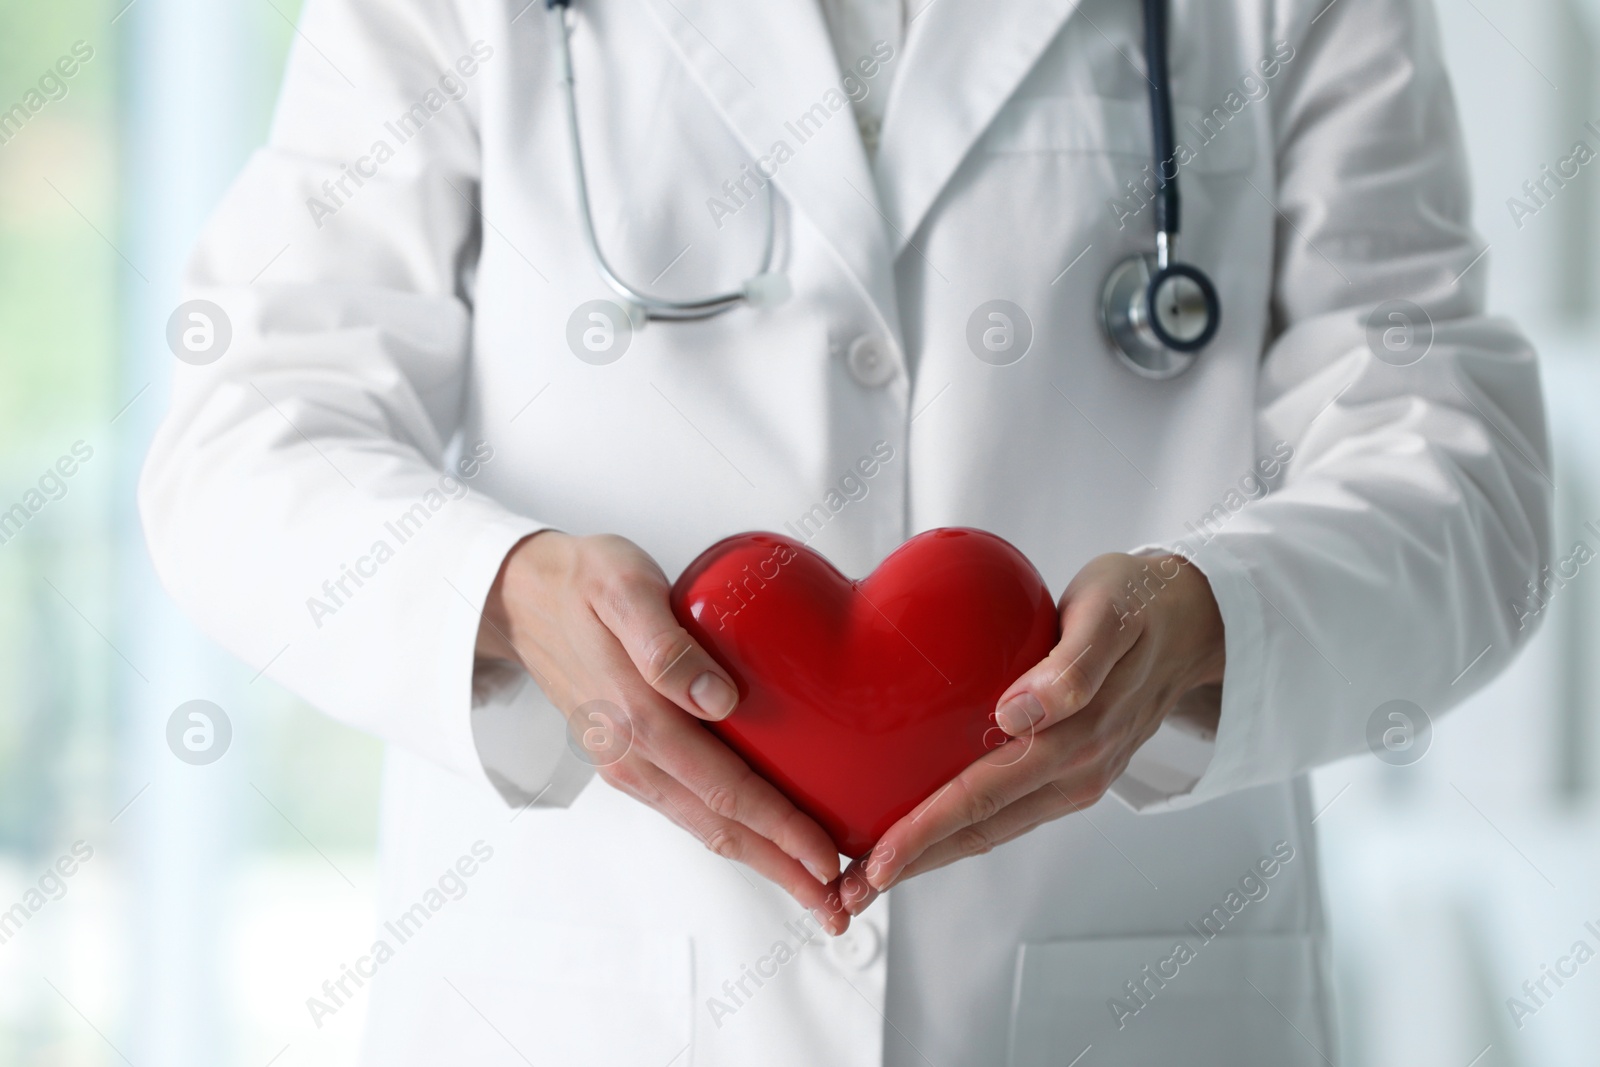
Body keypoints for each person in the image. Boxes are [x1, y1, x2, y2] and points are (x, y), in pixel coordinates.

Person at [140, 0, 1551, 1062]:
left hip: (1128, 999)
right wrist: (507, 598)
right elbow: (244, 438)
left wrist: (1206, 620)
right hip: (590, 999)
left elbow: (1464, 480)